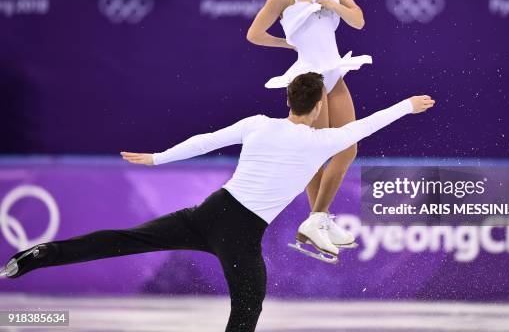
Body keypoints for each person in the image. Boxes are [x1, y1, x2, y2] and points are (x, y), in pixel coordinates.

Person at [0, 72, 435, 332]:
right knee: (247, 310)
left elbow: (206, 140)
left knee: (122, 239)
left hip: (208, 212)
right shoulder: (326, 140)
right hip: (241, 234)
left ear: (288, 99)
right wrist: (408, 105)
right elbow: (371, 125)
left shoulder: (259, 124)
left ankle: (38, 256)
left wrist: (158, 158)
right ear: (321, 105)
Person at [246, 0, 371, 258]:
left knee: (347, 148)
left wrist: (334, 4)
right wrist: (288, 43)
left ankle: (317, 219)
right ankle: (317, 221)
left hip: (335, 71)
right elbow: (255, 34)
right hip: (309, 78)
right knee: (317, 152)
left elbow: (358, 20)